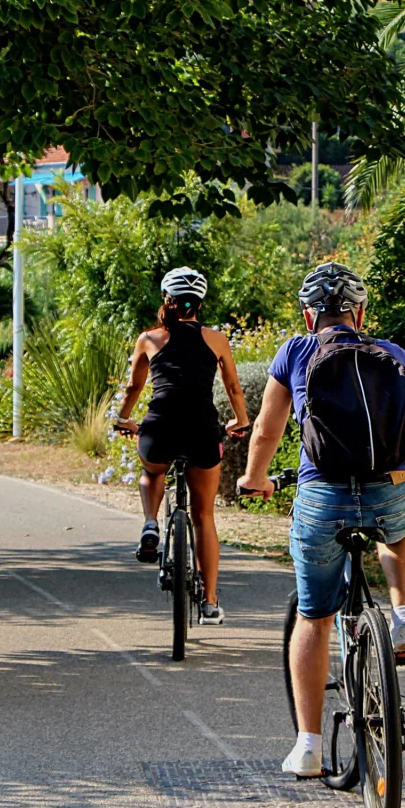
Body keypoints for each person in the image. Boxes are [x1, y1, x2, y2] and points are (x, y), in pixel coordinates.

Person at [237, 262, 405, 777]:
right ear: (360, 313)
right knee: (404, 527)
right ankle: (404, 617)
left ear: (307, 313)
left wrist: (255, 477)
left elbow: (266, 433)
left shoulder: (295, 351)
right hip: (391, 490)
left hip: (322, 499)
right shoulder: (394, 354)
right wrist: (396, 474)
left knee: (315, 616)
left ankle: (310, 747)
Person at [114, 267, 249, 624]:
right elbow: (234, 388)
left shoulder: (149, 338)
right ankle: (209, 602)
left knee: (151, 470)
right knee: (204, 515)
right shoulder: (216, 339)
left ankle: (149, 524)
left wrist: (123, 418)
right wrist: (241, 421)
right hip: (203, 428)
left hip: (160, 425)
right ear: (199, 304)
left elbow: (134, 388)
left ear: (166, 300)